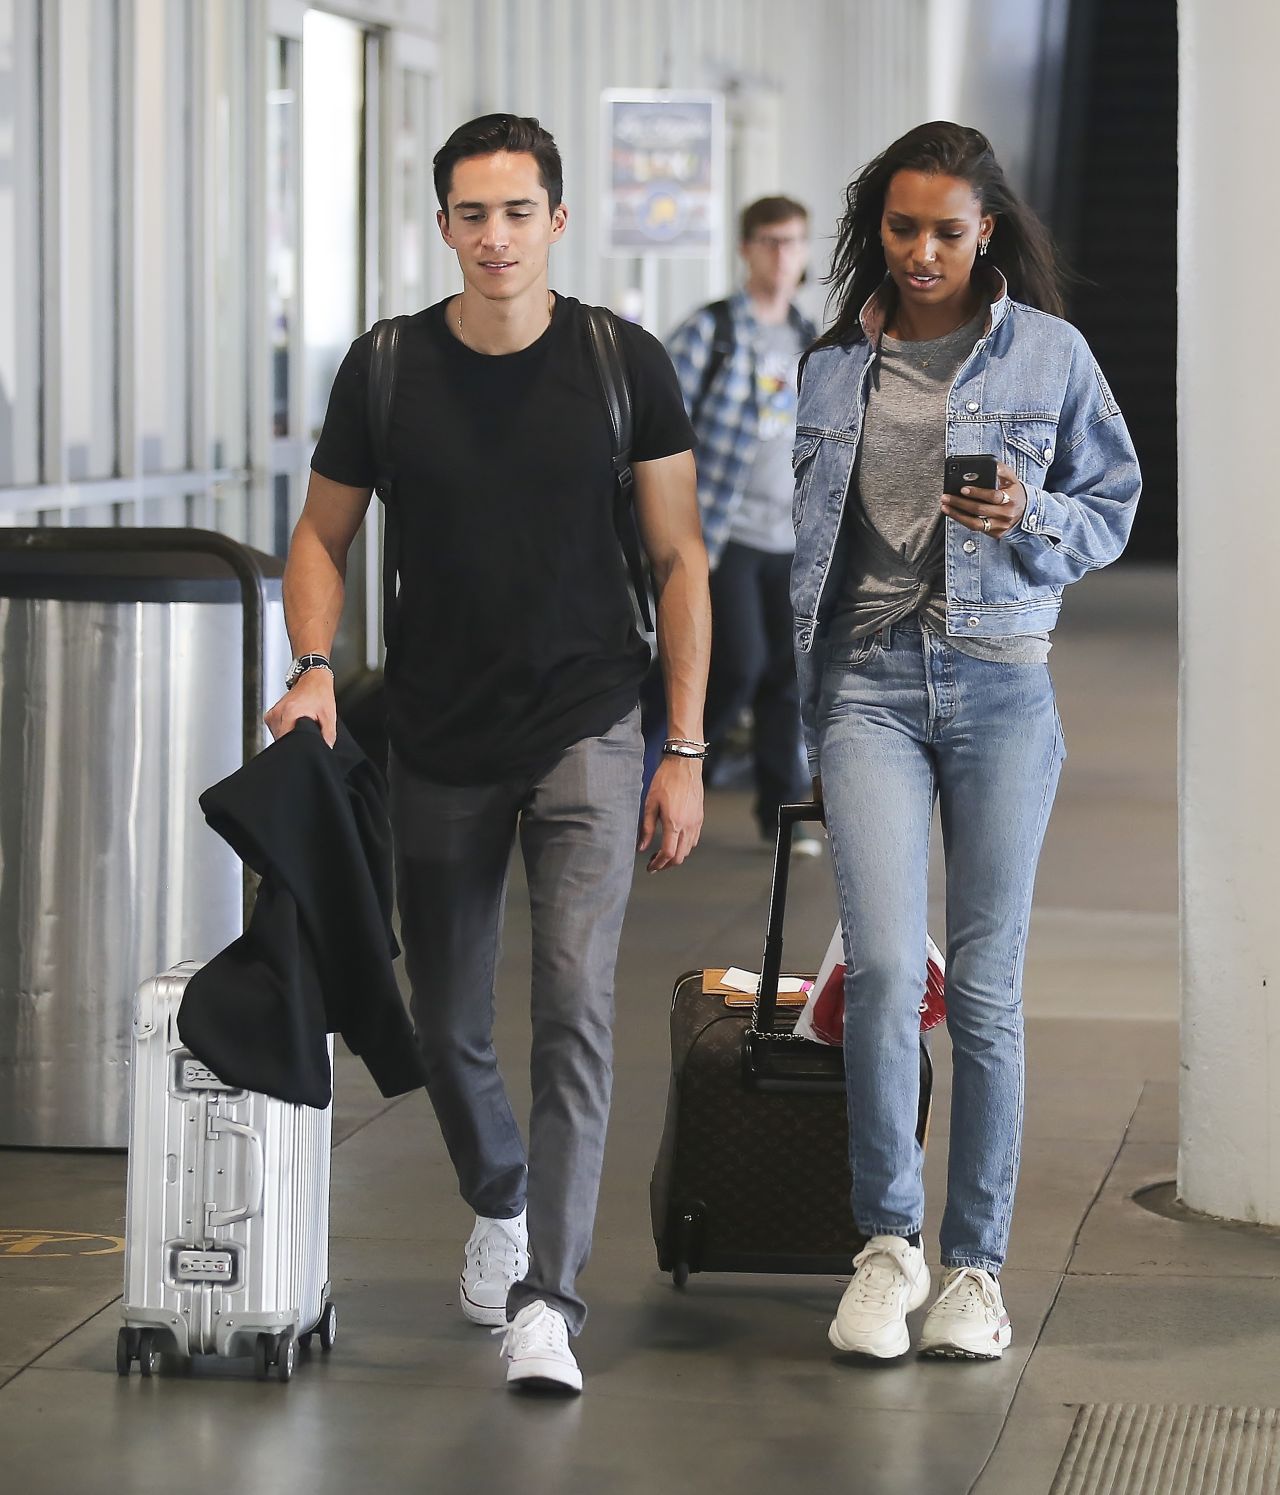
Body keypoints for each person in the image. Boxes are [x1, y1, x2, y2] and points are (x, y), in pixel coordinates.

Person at [264, 114, 710, 1394]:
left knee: (571, 1007)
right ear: (445, 224)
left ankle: (548, 1301)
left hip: (588, 720)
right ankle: (499, 1196)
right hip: (440, 733)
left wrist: (680, 743)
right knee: (446, 1021)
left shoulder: (624, 362)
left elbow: (679, 561)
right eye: (472, 213)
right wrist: (310, 666)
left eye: (517, 212)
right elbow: (319, 536)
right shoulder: (388, 368)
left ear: (556, 221)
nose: (495, 236)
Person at [792, 122, 1140, 1360]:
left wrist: (1027, 508)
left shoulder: (1048, 354)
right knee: (886, 973)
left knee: (985, 991)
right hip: (869, 691)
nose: (924, 250)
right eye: (902, 228)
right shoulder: (833, 365)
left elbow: (1112, 501)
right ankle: (886, 1248)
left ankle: (974, 1269)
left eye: (948, 229)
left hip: (1001, 684)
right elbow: (816, 560)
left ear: (985, 228)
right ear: (873, 230)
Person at [664, 196, 820, 854]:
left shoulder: (813, 341)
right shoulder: (712, 332)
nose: (781, 255)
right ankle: (667, 773)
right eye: (767, 241)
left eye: (792, 242)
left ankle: (783, 813)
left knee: (787, 674)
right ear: (745, 248)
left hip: (793, 537)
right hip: (720, 533)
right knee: (737, 664)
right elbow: (660, 422)